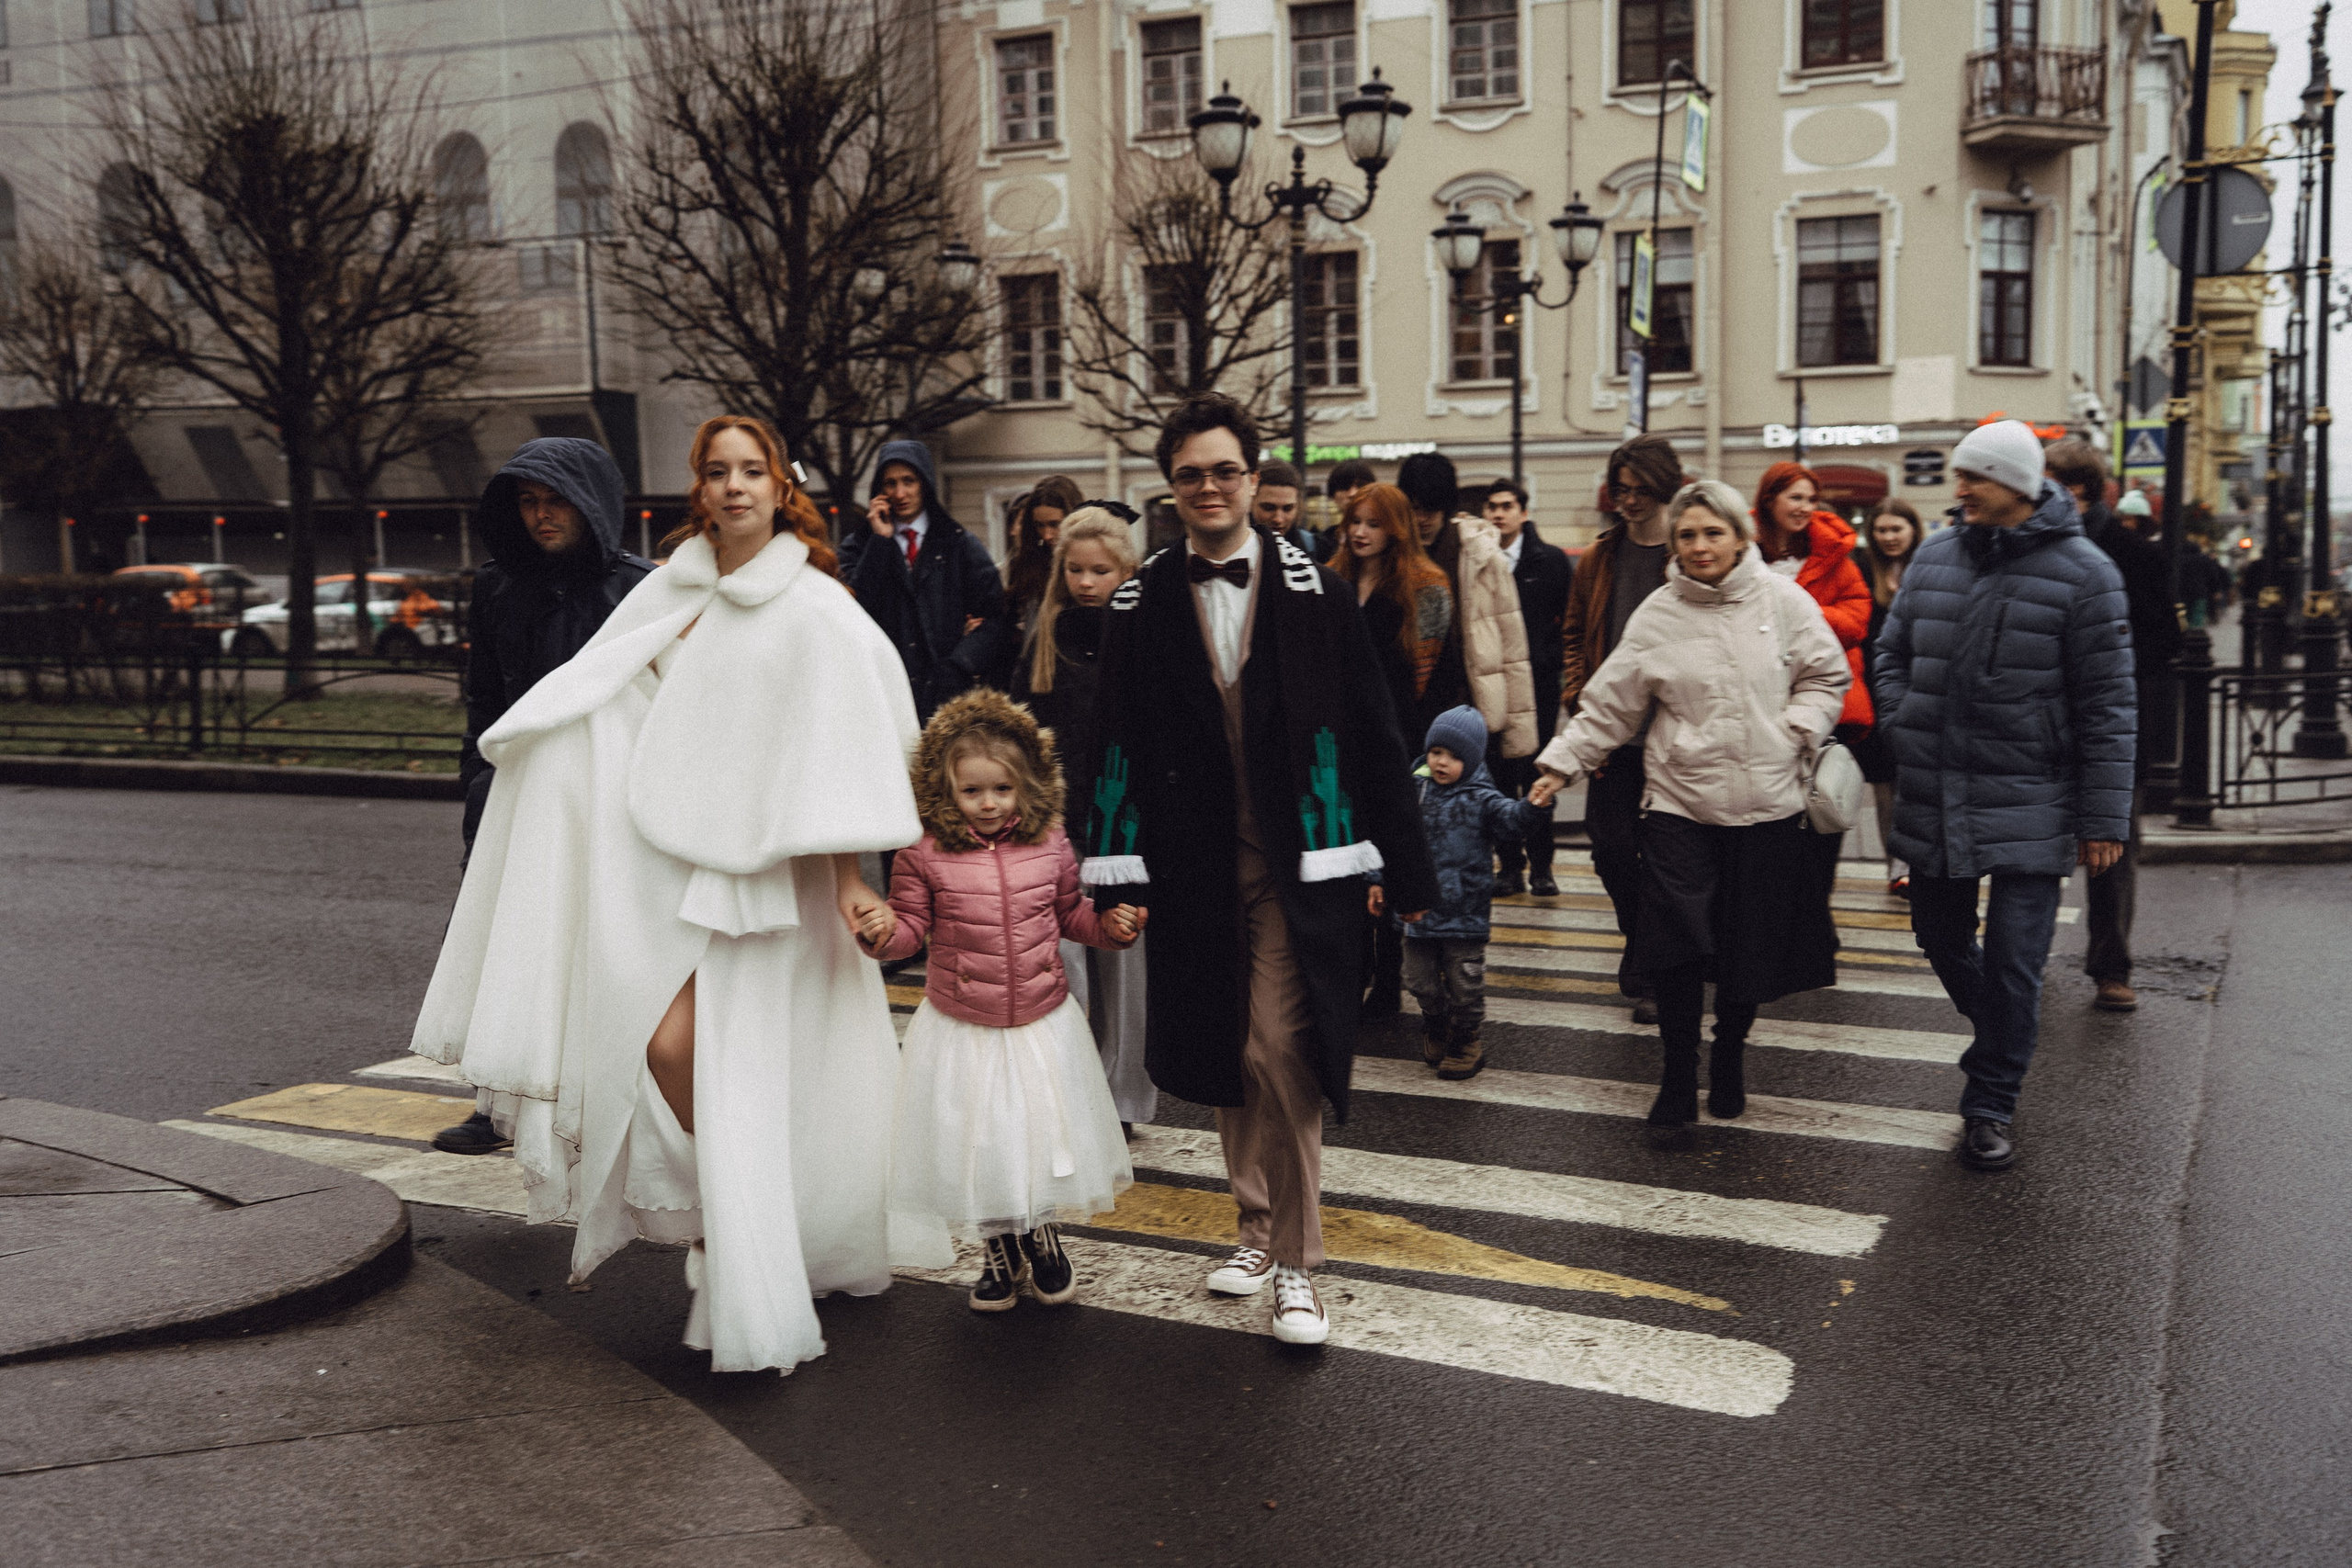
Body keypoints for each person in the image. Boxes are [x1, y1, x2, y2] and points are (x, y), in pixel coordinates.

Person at [411, 415, 921, 1373]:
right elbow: (602, 698)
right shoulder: (675, 588)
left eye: (751, 471)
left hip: (770, 880)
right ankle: (729, 1226)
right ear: (698, 487)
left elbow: (846, 750)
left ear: (780, 487)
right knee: (671, 1045)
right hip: (672, 866)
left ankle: (748, 1237)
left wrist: (850, 881)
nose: (734, 487)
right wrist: (529, 763)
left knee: (751, 1065)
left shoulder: (814, 607)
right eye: (716, 472)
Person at [1081, 391, 1437, 1346]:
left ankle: (1297, 1262)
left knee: (1283, 1045)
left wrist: (1406, 870)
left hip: (1301, 856)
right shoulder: (1141, 600)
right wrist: (1113, 878)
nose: (1209, 486)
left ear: (1253, 478)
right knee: (1233, 1050)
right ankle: (1249, 1224)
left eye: (1224, 470)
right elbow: (1109, 734)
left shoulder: (1316, 594)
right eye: (1191, 473)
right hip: (1195, 862)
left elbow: (1372, 729)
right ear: (1172, 488)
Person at [1530, 480, 1849, 1148]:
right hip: (1680, 802)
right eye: (1687, 535)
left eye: (1712, 533)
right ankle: (1678, 1074)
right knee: (1674, 946)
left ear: (1740, 536)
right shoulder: (1658, 614)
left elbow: (1827, 676)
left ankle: (1729, 1051)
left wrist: (1798, 726)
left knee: (1745, 948)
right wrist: (1563, 762)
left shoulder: (1785, 602)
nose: (1699, 547)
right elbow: (1611, 705)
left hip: (1768, 806)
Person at [1873, 419, 2135, 1173]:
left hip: (2033, 793)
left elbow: (2109, 707)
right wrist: (1901, 720)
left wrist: (2102, 817)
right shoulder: (1935, 554)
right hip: (1937, 787)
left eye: (1973, 478)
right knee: (1938, 933)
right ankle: (2004, 1031)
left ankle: (1989, 1103)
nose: (1958, 491)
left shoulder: (2087, 573)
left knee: (2018, 960)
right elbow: (1891, 651)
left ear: (2016, 486)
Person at [860, 690, 1142, 1311]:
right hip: (963, 1023)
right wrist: (881, 932)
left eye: (1002, 789)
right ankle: (996, 1242)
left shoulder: (1052, 842)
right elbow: (909, 926)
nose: (988, 803)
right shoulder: (922, 850)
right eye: (972, 791)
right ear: (945, 789)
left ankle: (1040, 1230)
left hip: (1041, 1020)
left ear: (1026, 786)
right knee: (979, 1135)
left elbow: (1070, 914)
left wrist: (1109, 927)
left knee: (1037, 1131)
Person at [435, 436, 654, 1157]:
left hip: (608, 798)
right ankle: (495, 1102)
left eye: (555, 499)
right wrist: (479, 786)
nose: (540, 516)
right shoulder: (498, 586)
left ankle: (616, 1098)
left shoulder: (638, 588)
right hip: (516, 794)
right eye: (527, 502)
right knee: (509, 947)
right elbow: (485, 702)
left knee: (604, 948)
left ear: (591, 499)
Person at [1012, 505, 1154, 1128]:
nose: (1087, 581)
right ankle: (1071, 1090)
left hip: (1125, 824)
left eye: (1101, 569)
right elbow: (1018, 732)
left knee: (1126, 972)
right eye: (1075, 569)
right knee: (1064, 969)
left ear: (1127, 571)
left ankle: (1122, 1097)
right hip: (1056, 825)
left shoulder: (1149, 638)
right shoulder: (1045, 638)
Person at [2046, 438, 2178, 1014]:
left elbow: (2163, 642)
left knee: (2112, 848)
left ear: (2073, 488)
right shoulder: (2033, 547)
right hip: (2042, 725)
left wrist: (2101, 672)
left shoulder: (2131, 553)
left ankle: (2111, 967)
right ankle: (2027, 958)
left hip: (2109, 729)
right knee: (2034, 844)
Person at [1560, 434, 1684, 1025]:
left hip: (1674, 736)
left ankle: (1657, 971)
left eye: (1640, 490)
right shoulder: (1601, 558)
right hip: (1612, 731)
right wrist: (1577, 699)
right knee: (1610, 849)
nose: (1628, 501)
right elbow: (1574, 633)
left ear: (1665, 488)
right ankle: (1642, 943)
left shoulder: (1687, 553)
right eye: (1621, 490)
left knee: (1664, 858)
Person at [1329, 481, 1453, 1019]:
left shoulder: (1426, 586)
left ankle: (1388, 979)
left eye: (1374, 524)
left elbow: (1435, 672)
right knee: (1351, 863)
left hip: (1398, 736)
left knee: (1391, 859)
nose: (1360, 532)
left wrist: (1424, 750)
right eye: (1355, 521)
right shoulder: (1331, 578)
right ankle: (1357, 973)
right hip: (1339, 740)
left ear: (1396, 528)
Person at [1399, 705, 1551, 1080]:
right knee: (1417, 979)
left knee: (1465, 984)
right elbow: (1395, 839)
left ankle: (1466, 1039)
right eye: (1436, 752)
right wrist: (1378, 877)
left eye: (1453, 756)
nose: (1441, 762)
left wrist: (1533, 806)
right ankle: (1436, 1023)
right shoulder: (1414, 789)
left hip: (1465, 912)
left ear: (1471, 760)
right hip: (1419, 910)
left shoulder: (1483, 798)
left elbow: (1512, 822)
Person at [1752, 463, 1876, 916]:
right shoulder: (1745, 554)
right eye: (1795, 498)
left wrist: (1803, 616)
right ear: (1769, 501)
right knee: (1773, 826)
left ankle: (1814, 924)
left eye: (1811, 499)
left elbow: (1859, 617)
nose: (1806, 508)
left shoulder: (1833, 555)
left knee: (1822, 817)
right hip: (1761, 704)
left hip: (1826, 708)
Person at [839, 438, 1013, 721]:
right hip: (880, 694)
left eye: (909, 481)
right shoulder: (859, 546)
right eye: (890, 483)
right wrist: (879, 543)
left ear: (925, 484)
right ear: (878, 491)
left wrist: (960, 664)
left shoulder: (959, 545)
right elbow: (851, 610)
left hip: (948, 699)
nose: (900, 493)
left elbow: (996, 617)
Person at [1396, 450, 1538, 762]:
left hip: (1469, 710)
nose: (1422, 519)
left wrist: (1518, 735)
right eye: (1415, 508)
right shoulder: (1393, 555)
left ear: (1446, 507)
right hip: (1408, 712)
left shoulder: (1480, 556)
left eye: (1431, 510)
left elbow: (1512, 649)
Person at [1482, 477, 1573, 897]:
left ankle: (1542, 867)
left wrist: (1553, 667)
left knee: (1538, 777)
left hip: (1537, 689)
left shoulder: (1549, 561)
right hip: (1493, 686)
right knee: (1499, 782)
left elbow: (1567, 623)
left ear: (1523, 511)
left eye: (1506, 506)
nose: (1498, 514)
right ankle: (1509, 867)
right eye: (1492, 507)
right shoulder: (1479, 560)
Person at [1852, 498, 1923, 897]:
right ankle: (1896, 867)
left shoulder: (1929, 566)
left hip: (1921, 690)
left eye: (1897, 529)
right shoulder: (1863, 571)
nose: (1889, 537)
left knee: (1916, 786)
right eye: (1882, 530)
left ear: (1913, 529)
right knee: (1886, 789)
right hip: (1877, 692)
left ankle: (1919, 864)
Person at [1002, 475, 1086, 644]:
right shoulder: (1028, 564)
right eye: (1040, 525)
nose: (1047, 535)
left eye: (1055, 524)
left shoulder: (1089, 561)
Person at [1252, 460, 1316, 558]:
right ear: (1250, 503)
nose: (1278, 519)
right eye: (1268, 508)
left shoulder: (1314, 547)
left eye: (1287, 509)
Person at [1321, 458, 1377, 561]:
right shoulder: (1322, 542)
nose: (1352, 493)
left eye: (1361, 486)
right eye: (1344, 487)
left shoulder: (1385, 536)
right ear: (1333, 495)